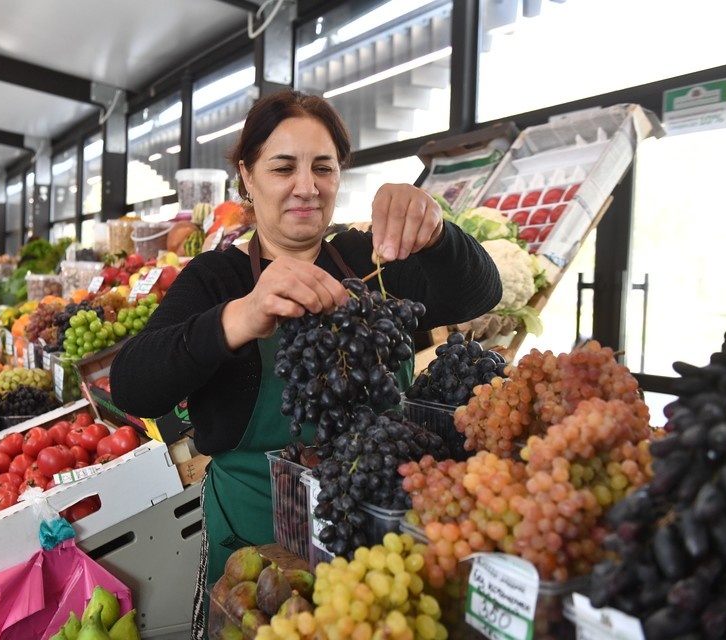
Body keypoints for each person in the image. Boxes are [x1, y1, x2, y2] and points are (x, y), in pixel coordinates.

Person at [108, 89, 503, 636]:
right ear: (247, 176)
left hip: (381, 539)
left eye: (323, 167)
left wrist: (438, 234)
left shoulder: (376, 263)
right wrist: (238, 318)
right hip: (257, 557)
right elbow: (132, 386)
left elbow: (479, 295)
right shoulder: (216, 279)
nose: (306, 186)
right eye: (282, 167)